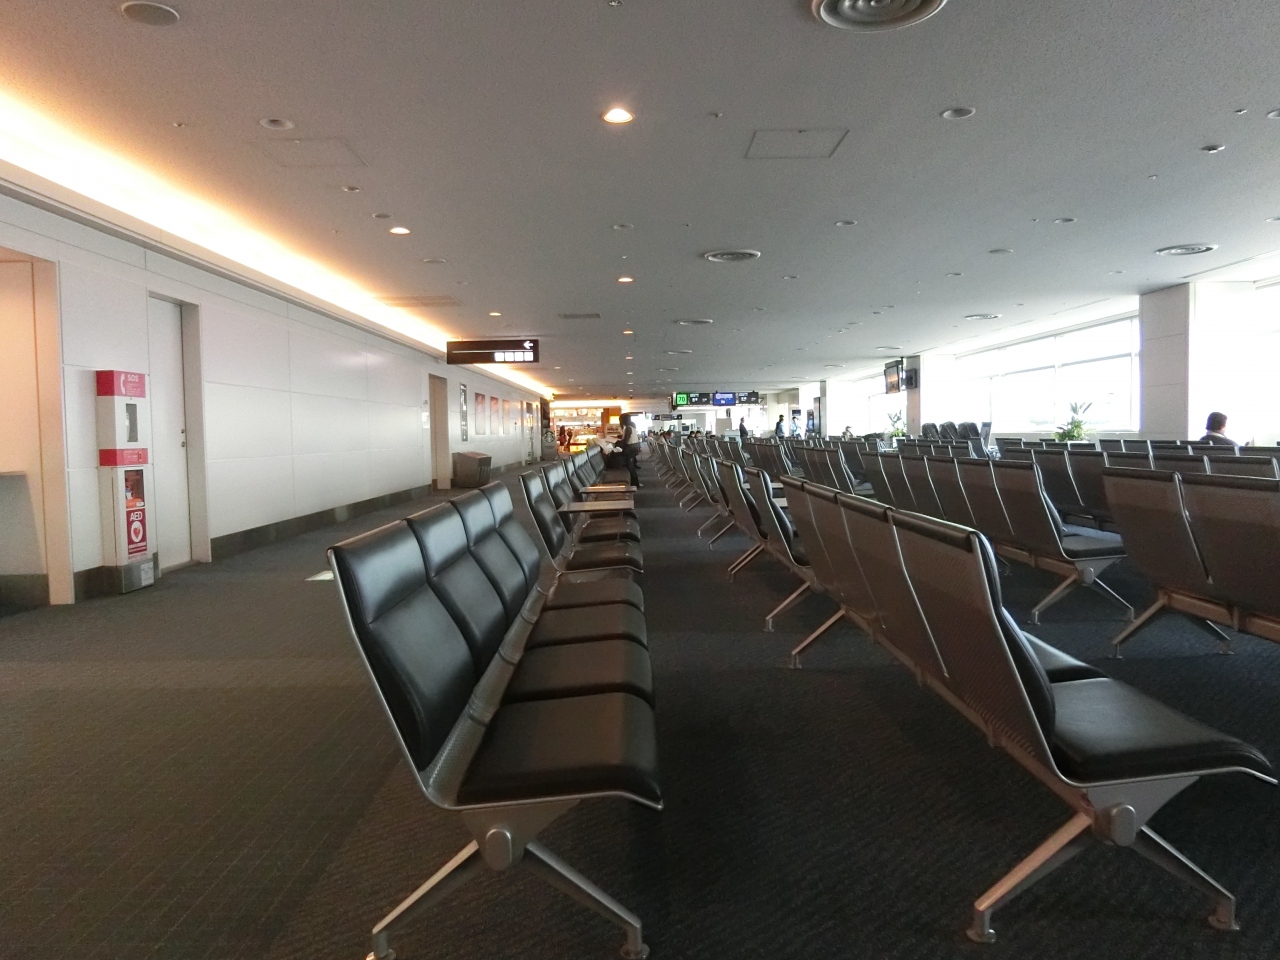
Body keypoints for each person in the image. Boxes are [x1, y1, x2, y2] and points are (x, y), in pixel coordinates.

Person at [619, 413, 642, 487]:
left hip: (630, 449)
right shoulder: (631, 427)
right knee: (630, 466)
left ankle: (636, 483)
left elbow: (626, 440)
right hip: (634, 448)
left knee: (630, 467)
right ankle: (634, 483)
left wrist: (617, 442)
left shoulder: (628, 428)